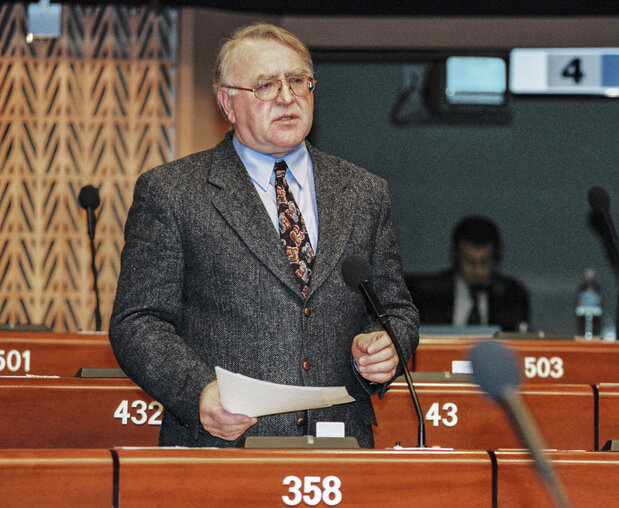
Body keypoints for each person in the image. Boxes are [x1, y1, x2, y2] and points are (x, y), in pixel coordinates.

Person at [108, 23, 419, 449]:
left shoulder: (364, 191)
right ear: (227, 103)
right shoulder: (173, 191)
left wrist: (387, 345)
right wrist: (198, 393)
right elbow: (137, 321)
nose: (287, 97)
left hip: (339, 448)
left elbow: (395, 310)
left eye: (297, 82)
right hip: (223, 445)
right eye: (266, 85)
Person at [406, 216, 530, 332]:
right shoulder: (427, 294)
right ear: (456, 257)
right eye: (470, 261)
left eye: (484, 262)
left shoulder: (512, 295)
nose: (477, 269)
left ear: (496, 259)